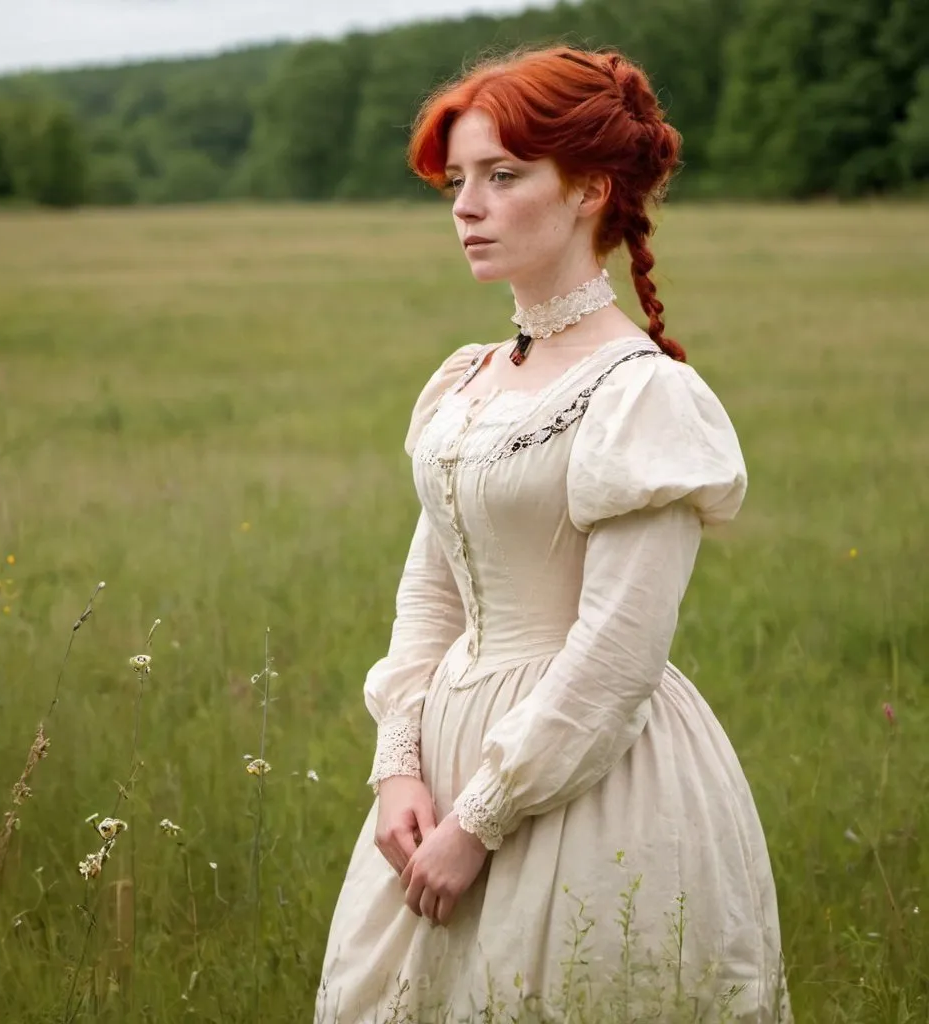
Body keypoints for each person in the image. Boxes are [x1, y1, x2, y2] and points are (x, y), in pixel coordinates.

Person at [315, 46, 791, 1024]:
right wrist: (399, 764)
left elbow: (617, 654)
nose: (466, 206)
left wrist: (481, 821)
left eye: (502, 176)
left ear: (588, 190)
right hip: (445, 770)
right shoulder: (467, 381)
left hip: (591, 780)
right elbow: (433, 590)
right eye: (457, 182)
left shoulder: (641, 395)